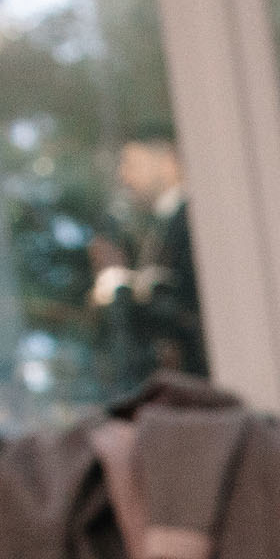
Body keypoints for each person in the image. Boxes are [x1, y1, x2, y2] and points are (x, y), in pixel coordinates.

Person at [90, 130, 205, 384]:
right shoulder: (162, 225)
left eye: (132, 164)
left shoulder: (191, 221)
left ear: (167, 162)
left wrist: (123, 292)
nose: (124, 176)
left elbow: (189, 305)